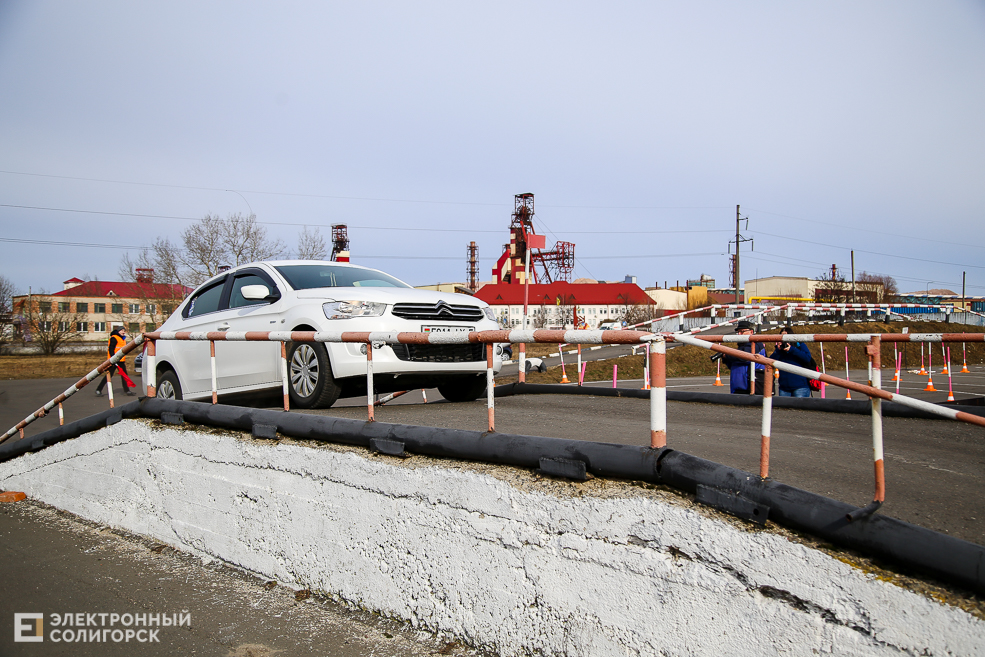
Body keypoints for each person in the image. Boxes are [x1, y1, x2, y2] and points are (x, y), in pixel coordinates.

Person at [719, 320, 766, 394]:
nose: (739, 334)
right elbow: (734, 364)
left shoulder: (756, 344)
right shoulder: (742, 346)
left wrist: (727, 355)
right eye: (738, 332)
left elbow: (744, 357)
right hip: (739, 387)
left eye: (742, 331)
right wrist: (726, 358)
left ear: (751, 332)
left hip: (751, 387)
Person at [770, 327, 814, 397]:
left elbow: (807, 358)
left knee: (799, 407)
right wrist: (778, 350)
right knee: (784, 407)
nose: (784, 339)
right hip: (784, 387)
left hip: (800, 386)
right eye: (782, 337)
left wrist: (791, 349)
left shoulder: (799, 345)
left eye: (786, 337)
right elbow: (770, 362)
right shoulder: (779, 350)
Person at [95, 326, 136, 397]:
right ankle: (98, 389)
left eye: (124, 330)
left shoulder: (122, 339)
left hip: (121, 360)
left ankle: (127, 391)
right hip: (113, 361)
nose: (123, 332)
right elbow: (111, 349)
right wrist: (113, 359)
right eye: (122, 330)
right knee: (109, 375)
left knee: (124, 375)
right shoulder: (114, 338)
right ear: (118, 331)